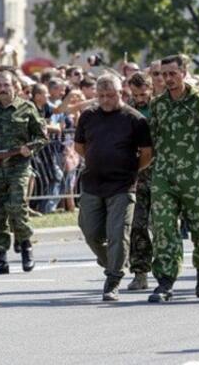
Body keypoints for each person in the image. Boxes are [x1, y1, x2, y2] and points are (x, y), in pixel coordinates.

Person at [74, 74, 152, 301]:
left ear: (121, 93)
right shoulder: (88, 116)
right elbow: (80, 146)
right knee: (90, 232)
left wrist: (130, 170)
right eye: (101, 96)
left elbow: (147, 154)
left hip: (122, 186)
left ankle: (113, 279)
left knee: (118, 234)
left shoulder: (134, 119)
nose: (106, 100)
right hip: (93, 183)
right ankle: (111, 260)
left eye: (111, 95)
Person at [148, 55, 199, 302]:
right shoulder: (158, 105)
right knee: (164, 227)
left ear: (184, 72)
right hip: (165, 175)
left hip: (195, 176)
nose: (167, 79)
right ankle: (166, 280)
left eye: (172, 73)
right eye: (163, 74)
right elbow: (154, 138)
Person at [0, 70, 48, 275]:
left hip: (18, 167)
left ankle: (26, 248)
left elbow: (42, 137)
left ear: (16, 87)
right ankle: (0, 258)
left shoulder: (27, 108)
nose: (3, 89)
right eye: (0, 85)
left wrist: (29, 147)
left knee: (17, 206)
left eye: (7, 85)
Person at [125, 72, 154, 291]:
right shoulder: (126, 111)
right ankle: (140, 273)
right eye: (135, 94)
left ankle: (166, 271)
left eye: (143, 93)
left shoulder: (161, 108)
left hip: (161, 174)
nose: (139, 98)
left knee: (163, 226)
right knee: (138, 226)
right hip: (137, 176)